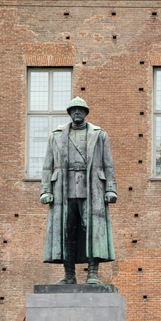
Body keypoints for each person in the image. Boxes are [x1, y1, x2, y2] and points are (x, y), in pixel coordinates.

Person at [40, 97, 117, 284]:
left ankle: (92, 273)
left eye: (80, 110)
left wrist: (111, 189)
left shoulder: (99, 135)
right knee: (67, 231)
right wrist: (45, 190)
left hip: (92, 188)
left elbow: (108, 164)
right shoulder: (56, 136)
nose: (77, 113)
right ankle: (69, 276)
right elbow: (47, 166)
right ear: (69, 113)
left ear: (86, 113)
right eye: (74, 110)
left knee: (93, 230)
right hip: (63, 190)